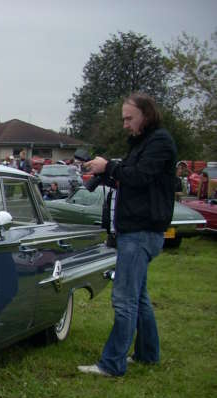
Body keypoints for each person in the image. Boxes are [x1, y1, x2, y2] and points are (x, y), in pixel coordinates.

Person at [78, 92, 177, 378]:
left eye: (129, 118)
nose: (125, 125)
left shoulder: (159, 142)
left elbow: (140, 176)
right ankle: (148, 353)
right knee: (139, 297)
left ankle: (112, 364)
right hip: (137, 231)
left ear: (146, 115)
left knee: (124, 300)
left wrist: (108, 166)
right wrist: (107, 173)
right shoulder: (144, 143)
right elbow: (134, 179)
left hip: (141, 232)